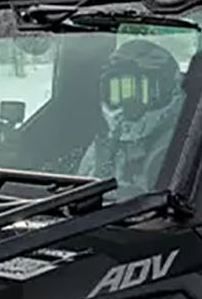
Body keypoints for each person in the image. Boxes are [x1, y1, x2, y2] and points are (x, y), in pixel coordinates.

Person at [76, 38, 186, 192]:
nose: (126, 106)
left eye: (137, 92)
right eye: (117, 91)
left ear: (163, 91)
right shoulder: (104, 146)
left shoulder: (179, 146)